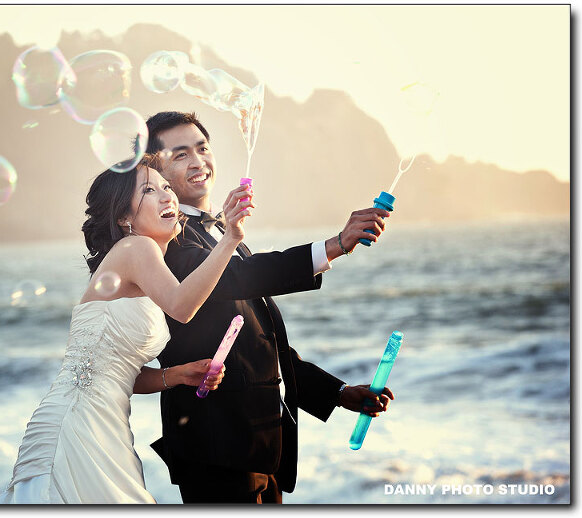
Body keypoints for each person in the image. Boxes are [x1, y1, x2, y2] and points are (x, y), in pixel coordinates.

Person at [145, 111, 395, 504]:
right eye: (180, 155)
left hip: (260, 446)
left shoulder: (220, 233)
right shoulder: (167, 241)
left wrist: (337, 392)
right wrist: (335, 245)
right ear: (154, 171)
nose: (197, 161)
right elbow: (240, 277)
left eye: (202, 148)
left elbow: (260, 345)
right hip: (215, 449)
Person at [0, 156, 255, 504]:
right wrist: (230, 238)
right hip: (78, 422)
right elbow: (181, 306)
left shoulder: (137, 262)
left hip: (106, 423)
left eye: (166, 186)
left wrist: (175, 375)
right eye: (149, 190)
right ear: (123, 217)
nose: (167, 196)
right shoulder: (135, 247)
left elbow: (116, 370)